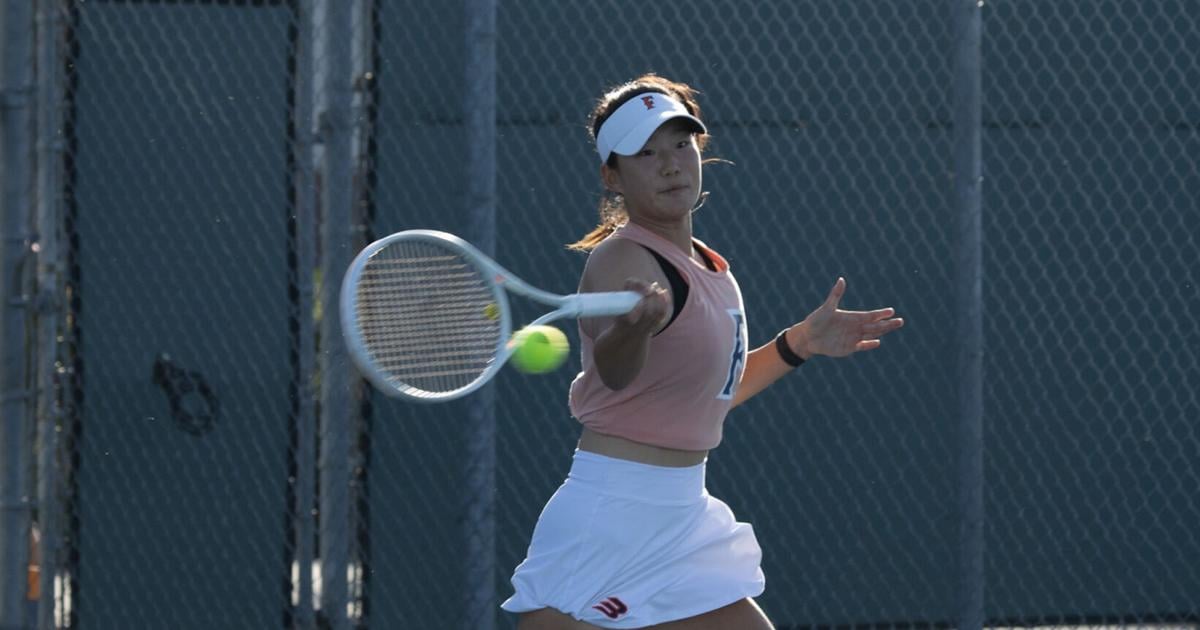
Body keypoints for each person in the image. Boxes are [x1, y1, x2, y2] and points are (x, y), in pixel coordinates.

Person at [501, 73, 904, 629]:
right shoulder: (620, 262)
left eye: (680, 145)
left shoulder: (714, 270)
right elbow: (616, 374)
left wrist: (798, 345)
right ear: (611, 176)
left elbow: (707, 398)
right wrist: (633, 330)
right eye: (645, 153)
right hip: (611, 513)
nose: (669, 164)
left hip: (681, 512)